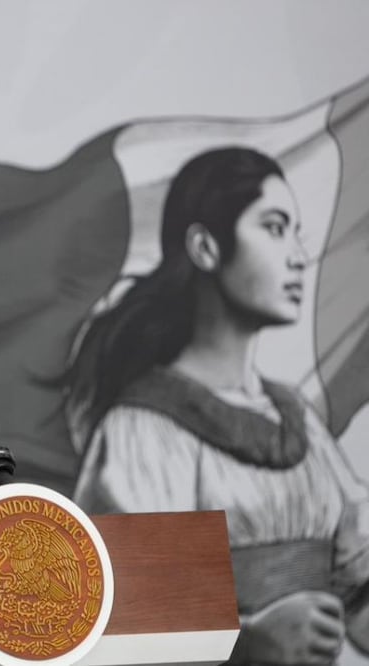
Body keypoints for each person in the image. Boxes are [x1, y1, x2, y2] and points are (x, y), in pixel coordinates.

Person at [68, 146, 369, 664]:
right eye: (275, 228)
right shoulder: (142, 430)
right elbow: (122, 614)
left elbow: (358, 581)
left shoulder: (295, 419)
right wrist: (247, 642)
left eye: (296, 231)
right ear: (206, 247)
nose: (299, 255)